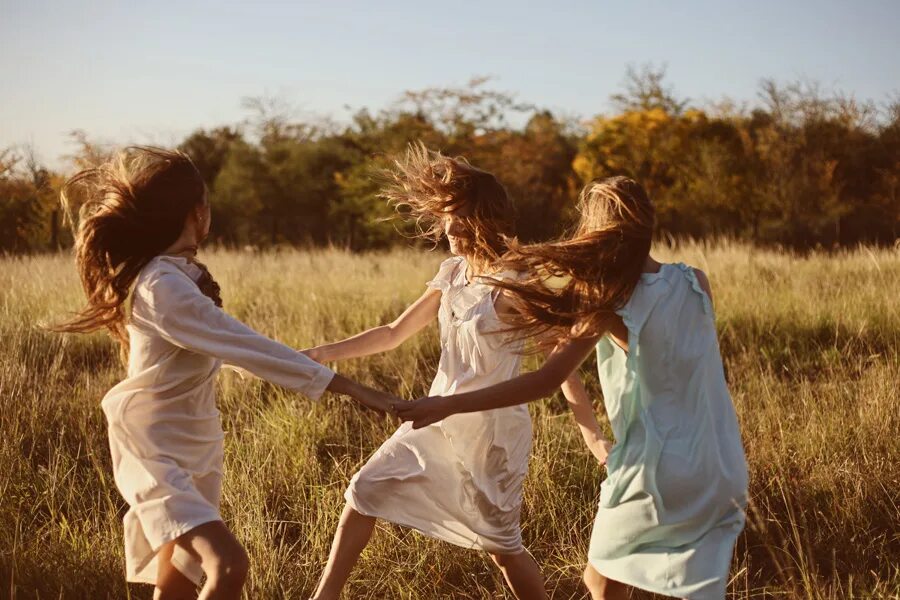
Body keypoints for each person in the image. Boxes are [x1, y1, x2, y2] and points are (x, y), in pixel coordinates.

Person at [53, 147, 397, 600]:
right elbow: (240, 342)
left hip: (195, 444)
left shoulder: (176, 274)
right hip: (155, 449)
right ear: (197, 212)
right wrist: (351, 388)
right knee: (228, 564)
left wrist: (294, 359)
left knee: (176, 581)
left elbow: (229, 345)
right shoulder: (161, 284)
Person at [396, 176, 749, 600]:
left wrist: (448, 404)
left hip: (654, 465)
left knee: (600, 583)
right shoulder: (695, 281)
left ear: (596, 230)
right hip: (721, 462)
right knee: (695, 589)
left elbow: (544, 380)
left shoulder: (608, 298)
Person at [306, 143, 608, 600]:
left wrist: (592, 435)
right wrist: (321, 353)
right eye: (446, 214)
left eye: (457, 214)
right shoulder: (452, 273)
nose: (446, 224)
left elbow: (562, 366)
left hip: (492, 433)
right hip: (433, 417)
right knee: (362, 492)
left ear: (482, 219)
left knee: (502, 549)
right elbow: (392, 332)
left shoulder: (514, 284)